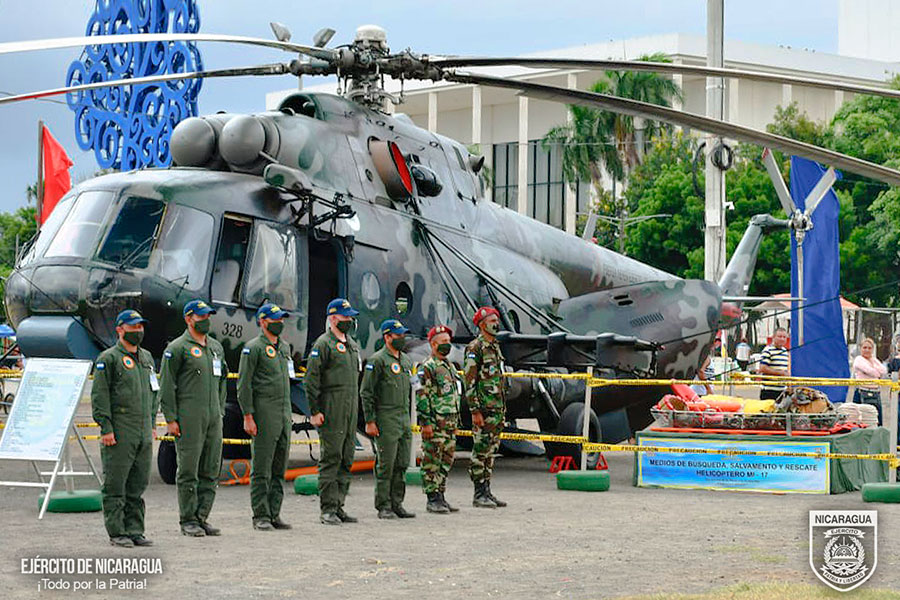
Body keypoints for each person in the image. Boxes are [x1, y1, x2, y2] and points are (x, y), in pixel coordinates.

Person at [159, 299, 229, 537]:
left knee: (211, 468)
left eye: (208, 316)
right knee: (188, 469)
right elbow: (167, 385)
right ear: (189, 319)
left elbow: (223, 380)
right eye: (201, 316)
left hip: (213, 417)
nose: (206, 320)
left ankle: (202, 517)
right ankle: (188, 519)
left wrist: (220, 409)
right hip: (189, 417)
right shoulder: (177, 348)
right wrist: (171, 418)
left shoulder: (216, 348)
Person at [91, 309, 157, 548]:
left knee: (137, 484)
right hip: (120, 429)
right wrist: (106, 427)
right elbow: (100, 396)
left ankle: (135, 530)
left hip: (142, 430)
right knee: (116, 483)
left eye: (140, 326)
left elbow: (154, 392)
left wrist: (151, 423)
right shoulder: (108, 358)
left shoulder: (147, 358)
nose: (138, 330)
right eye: (133, 326)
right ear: (120, 329)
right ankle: (117, 532)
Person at [304, 298, 361, 526]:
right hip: (332, 406)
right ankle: (327, 509)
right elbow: (311, 380)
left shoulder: (352, 345)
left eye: (350, 317)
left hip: (350, 407)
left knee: (347, 457)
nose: (349, 320)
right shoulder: (323, 344)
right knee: (331, 458)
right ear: (333, 318)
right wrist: (315, 410)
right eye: (345, 317)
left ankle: (339, 505)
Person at [238, 303, 294, 531]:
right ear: (262, 321)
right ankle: (260, 515)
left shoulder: (284, 348)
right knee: (262, 467)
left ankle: (274, 513)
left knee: (279, 467)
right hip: (264, 413)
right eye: (275, 319)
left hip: (283, 413)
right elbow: (244, 385)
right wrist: (248, 415)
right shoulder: (253, 348)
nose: (279, 323)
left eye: (281, 319)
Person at [361, 319, 415, 520]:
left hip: (403, 417)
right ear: (387, 337)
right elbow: (366, 392)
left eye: (403, 335)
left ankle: (397, 503)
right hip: (386, 417)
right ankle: (383, 505)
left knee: (402, 463)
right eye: (398, 335)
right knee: (386, 464)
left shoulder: (406, 361)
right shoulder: (377, 360)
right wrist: (370, 420)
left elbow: (413, 386)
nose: (402, 338)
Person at [464, 306, 508, 508]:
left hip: (497, 408)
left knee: (491, 451)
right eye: (492, 321)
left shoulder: (495, 346)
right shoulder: (476, 348)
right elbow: (470, 382)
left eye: (496, 320)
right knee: (481, 450)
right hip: (483, 409)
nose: (496, 324)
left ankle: (487, 490)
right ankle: (478, 492)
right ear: (482, 325)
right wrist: (475, 411)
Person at [417, 325, 462, 514]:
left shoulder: (449, 366)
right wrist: (425, 422)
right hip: (435, 422)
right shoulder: (427, 367)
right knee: (432, 459)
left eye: (449, 341)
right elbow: (422, 396)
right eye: (444, 342)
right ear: (433, 344)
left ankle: (441, 494)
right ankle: (432, 498)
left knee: (446, 459)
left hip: (449, 422)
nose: (448, 345)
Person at [852, 337, 887, 425]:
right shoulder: (858, 360)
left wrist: (875, 370)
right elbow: (871, 371)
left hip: (875, 393)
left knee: (877, 421)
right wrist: (876, 372)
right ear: (860, 348)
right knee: (861, 422)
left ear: (872, 349)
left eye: (869, 348)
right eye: (864, 347)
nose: (867, 350)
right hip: (862, 392)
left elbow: (884, 371)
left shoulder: (874, 360)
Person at [758, 327, 790, 401]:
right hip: (768, 390)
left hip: (782, 390)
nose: (782, 339)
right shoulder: (767, 350)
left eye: (784, 337)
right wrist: (780, 373)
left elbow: (785, 370)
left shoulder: (785, 351)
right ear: (773, 337)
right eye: (779, 336)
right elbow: (762, 368)